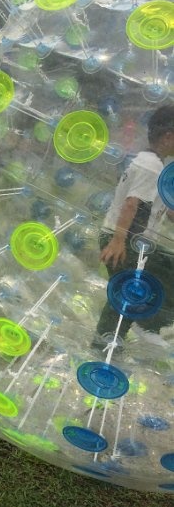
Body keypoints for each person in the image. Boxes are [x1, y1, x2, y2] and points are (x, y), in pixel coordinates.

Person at [93, 105, 174, 351]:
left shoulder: (151, 163)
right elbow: (131, 204)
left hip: (130, 239)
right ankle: (130, 333)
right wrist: (118, 241)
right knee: (129, 290)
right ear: (168, 137)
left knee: (132, 289)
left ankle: (113, 341)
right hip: (125, 239)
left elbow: (161, 207)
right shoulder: (152, 167)